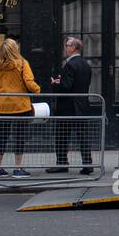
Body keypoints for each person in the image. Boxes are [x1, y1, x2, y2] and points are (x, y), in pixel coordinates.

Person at [0, 38, 40, 179]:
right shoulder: (23, 64)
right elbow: (29, 83)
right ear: (15, 48)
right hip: (20, 106)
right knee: (19, 136)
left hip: (2, 105)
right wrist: (38, 90)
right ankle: (18, 169)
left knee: (2, 136)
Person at [48, 36, 94, 175]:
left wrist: (56, 84)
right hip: (82, 105)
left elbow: (66, 86)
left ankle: (62, 163)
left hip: (67, 106)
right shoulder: (86, 64)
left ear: (73, 48)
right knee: (82, 136)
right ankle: (88, 164)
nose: (65, 47)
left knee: (62, 135)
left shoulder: (69, 64)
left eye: (67, 45)